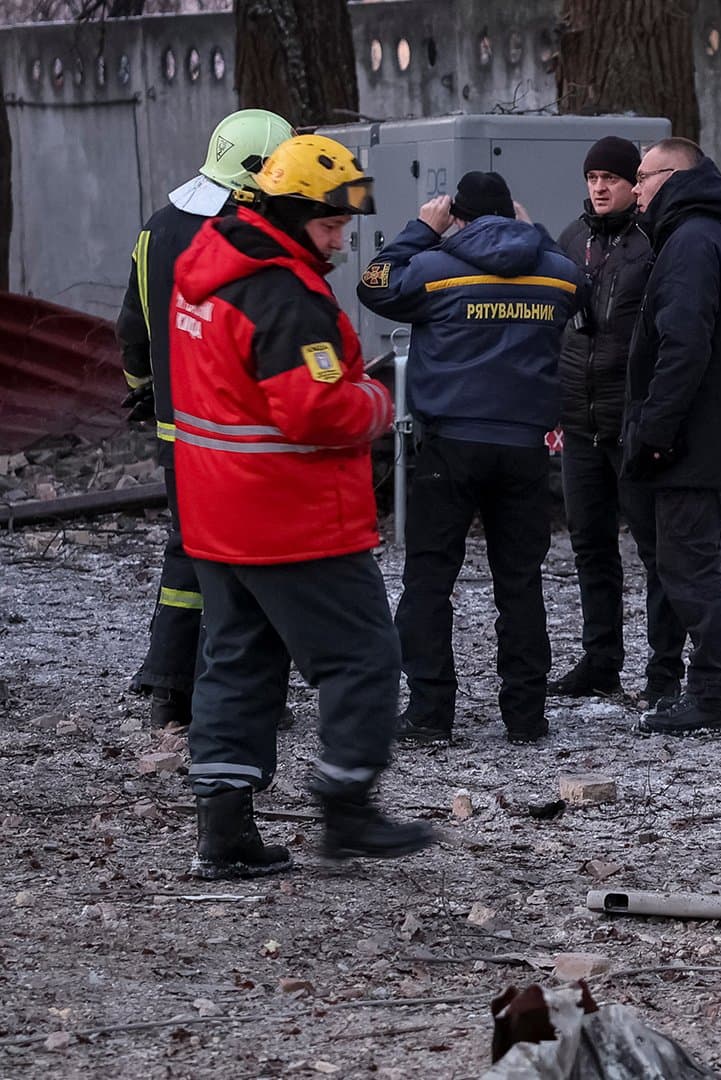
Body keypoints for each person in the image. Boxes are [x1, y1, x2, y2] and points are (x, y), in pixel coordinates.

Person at [167, 134, 434, 877]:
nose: (342, 237)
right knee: (363, 658)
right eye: (329, 222)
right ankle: (347, 808)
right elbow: (314, 412)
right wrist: (379, 403)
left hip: (218, 514)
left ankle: (224, 832)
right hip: (291, 517)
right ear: (287, 213)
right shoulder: (284, 295)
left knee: (238, 662)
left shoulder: (209, 270)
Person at [357, 172, 588, 746]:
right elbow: (582, 288)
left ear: (455, 216)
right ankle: (526, 716)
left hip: (449, 446)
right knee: (520, 582)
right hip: (523, 450)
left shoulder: (433, 270)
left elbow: (372, 284)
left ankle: (431, 711)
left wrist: (420, 230)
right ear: (511, 215)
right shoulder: (555, 272)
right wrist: (534, 234)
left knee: (430, 579)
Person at [118, 108, 293, 728]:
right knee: (250, 557)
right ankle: (242, 691)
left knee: (189, 551)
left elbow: (133, 327)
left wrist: (144, 389)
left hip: (177, 428)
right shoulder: (254, 234)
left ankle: (172, 685)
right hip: (244, 431)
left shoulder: (158, 228)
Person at [620, 138, 721, 735]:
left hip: (687, 446)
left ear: (674, 177)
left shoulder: (692, 243)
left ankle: (713, 695)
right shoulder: (704, 237)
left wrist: (653, 432)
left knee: (691, 569)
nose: (636, 188)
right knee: (686, 566)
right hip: (698, 442)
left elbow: (683, 346)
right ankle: (701, 690)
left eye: (644, 178)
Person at [550, 136, 665, 702]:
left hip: (630, 424)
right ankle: (601, 660)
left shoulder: (652, 244)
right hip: (578, 422)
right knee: (590, 547)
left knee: (654, 549)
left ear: (633, 185)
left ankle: (664, 673)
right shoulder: (571, 240)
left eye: (611, 178)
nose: (599, 187)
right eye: (592, 177)